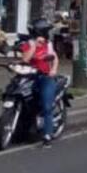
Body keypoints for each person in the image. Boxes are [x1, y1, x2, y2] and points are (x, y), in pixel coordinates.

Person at [19, 18, 59, 147]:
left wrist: (53, 69)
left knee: (46, 106)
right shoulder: (28, 44)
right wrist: (34, 46)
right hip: (29, 77)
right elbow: (25, 59)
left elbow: (55, 58)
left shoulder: (49, 45)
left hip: (45, 77)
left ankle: (47, 135)